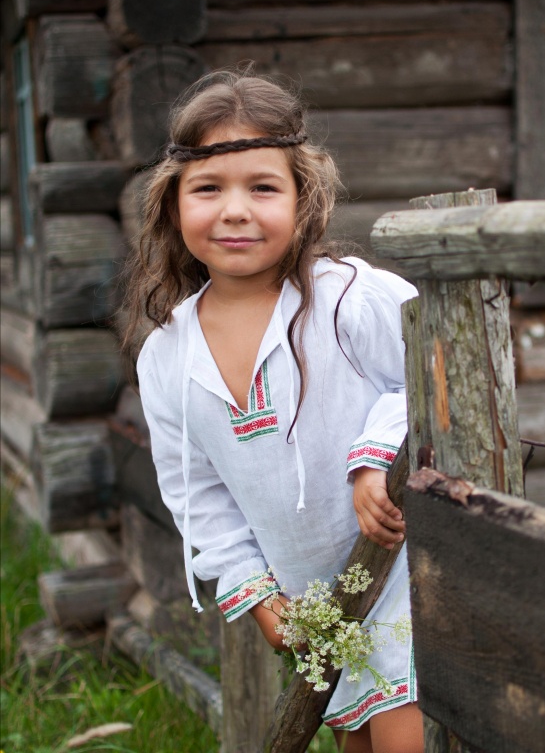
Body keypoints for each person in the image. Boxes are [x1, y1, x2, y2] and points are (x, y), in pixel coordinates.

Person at [123, 68, 423, 753]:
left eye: (262, 187)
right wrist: (254, 592)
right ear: (173, 203)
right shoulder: (167, 356)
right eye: (208, 188)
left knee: (405, 730)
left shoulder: (348, 298)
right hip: (313, 597)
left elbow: (430, 374)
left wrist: (373, 461)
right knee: (356, 738)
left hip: (404, 569)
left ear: (303, 197)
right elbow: (195, 493)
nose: (235, 210)